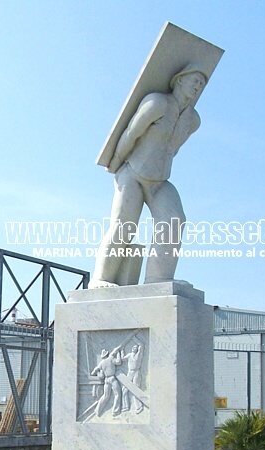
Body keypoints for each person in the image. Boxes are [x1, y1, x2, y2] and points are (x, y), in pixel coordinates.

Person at [89, 63, 207, 288]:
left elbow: (173, 148)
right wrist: (116, 162)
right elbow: (132, 132)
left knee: (174, 220)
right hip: (132, 173)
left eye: (202, 84)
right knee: (124, 225)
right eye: (194, 80)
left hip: (159, 181)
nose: (198, 86)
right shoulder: (157, 103)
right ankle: (100, 278)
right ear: (179, 80)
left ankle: (158, 279)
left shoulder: (192, 121)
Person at [91, 347, 122, 417]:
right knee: (117, 394)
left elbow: (95, 373)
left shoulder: (101, 363)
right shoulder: (111, 359)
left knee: (105, 396)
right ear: (107, 354)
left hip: (106, 380)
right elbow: (119, 362)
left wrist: (97, 371)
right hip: (112, 379)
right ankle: (115, 411)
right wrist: (118, 353)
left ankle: (97, 411)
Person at [121, 344, 144, 414]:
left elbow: (141, 347)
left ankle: (139, 407)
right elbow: (123, 359)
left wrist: (135, 337)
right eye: (133, 347)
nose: (134, 348)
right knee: (124, 389)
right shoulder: (129, 355)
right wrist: (122, 350)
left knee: (135, 389)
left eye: (135, 348)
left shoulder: (138, 355)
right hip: (130, 373)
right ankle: (125, 406)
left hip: (136, 372)